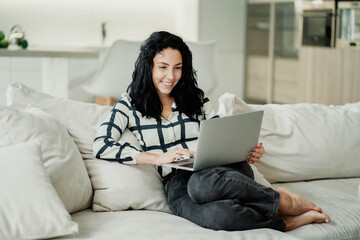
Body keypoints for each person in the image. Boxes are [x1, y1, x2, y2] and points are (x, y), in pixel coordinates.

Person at [93, 31, 330, 231]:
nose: (171, 76)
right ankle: (285, 221)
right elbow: (101, 144)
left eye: (178, 68)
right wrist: (158, 158)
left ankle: (285, 201)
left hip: (220, 170)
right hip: (176, 182)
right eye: (163, 67)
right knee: (220, 217)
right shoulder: (129, 105)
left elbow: (221, 136)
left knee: (201, 184)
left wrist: (247, 152)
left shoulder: (195, 99)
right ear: (148, 68)